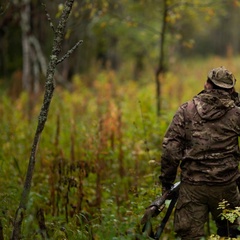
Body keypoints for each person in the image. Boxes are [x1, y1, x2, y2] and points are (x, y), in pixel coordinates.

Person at [159, 66, 240, 239]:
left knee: (189, 236)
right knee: (230, 235)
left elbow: (171, 150)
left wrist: (167, 182)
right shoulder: (236, 113)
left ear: (207, 84)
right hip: (226, 186)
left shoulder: (186, 111)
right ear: (231, 89)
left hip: (192, 189)